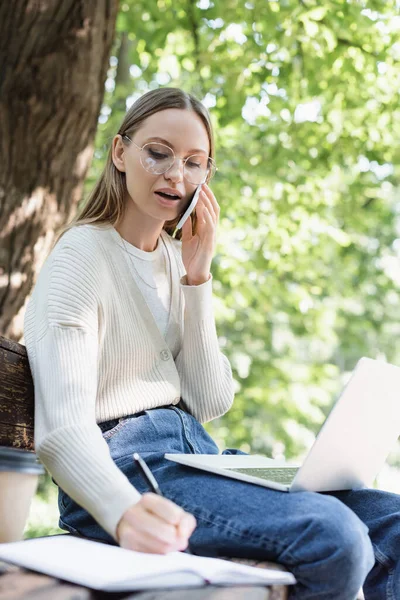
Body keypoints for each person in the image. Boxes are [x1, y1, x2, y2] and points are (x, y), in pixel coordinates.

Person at [24, 87, 400, 600]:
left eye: (195, 163)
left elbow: (209, 401)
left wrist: (198, 280)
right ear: (119, 153)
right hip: (130, 468)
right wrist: (121, 510)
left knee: (393, 523)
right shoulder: (81, 255)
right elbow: (63, 428)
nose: (176, 175)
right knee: (334, 536)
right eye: (158, 153)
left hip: (198, 459)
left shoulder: (177, 263)